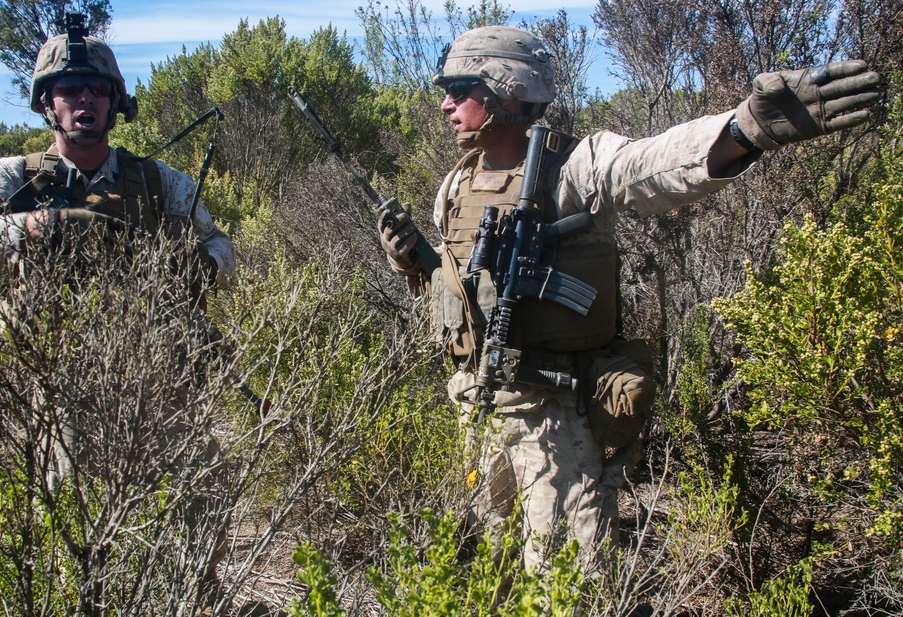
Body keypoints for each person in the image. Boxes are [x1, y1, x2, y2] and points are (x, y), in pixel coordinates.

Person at [377, 25, 881, 570]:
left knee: (565, 580)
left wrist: (744, 129)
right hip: (477, 405)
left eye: (461, 88)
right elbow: (458, 289)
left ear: (504, 89)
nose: (447, 104)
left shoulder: (572, 166)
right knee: (487, 565)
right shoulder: (455, 185)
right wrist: (412, 261)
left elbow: (650, 165)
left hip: (554, 413)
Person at [0, 19, 236, 604]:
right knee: (68, 523)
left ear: (116, 100)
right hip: (52, 382)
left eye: (95, 88)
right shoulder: (11, 178)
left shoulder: (158, 181)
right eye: (68, 88)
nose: (83, 99)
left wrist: (194, 269)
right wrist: (34, 230)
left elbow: (221, 247)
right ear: (48, 102)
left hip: (153, 376)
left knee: (198, 497)